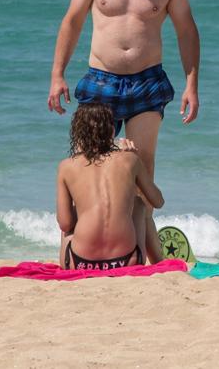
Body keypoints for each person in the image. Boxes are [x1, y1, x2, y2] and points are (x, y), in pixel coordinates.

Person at [47, 0, 200, 264]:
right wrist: (58, 74)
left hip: (147, 82)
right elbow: (72, 21)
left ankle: (150, 261)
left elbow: (187, 31)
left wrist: (192, 84)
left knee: (141, 178)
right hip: (100, 81)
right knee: (84, 169)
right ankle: (70, 259)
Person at [57, 102, 165, 270]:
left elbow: (65, 224)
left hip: (79, 263)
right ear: (112, 130)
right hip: (127, 261)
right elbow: (158, 201)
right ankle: (159, 261)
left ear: (78, 134)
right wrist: (134, 168)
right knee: (138, 204)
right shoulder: (130, 160)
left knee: (75, 208)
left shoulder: (67, 166)